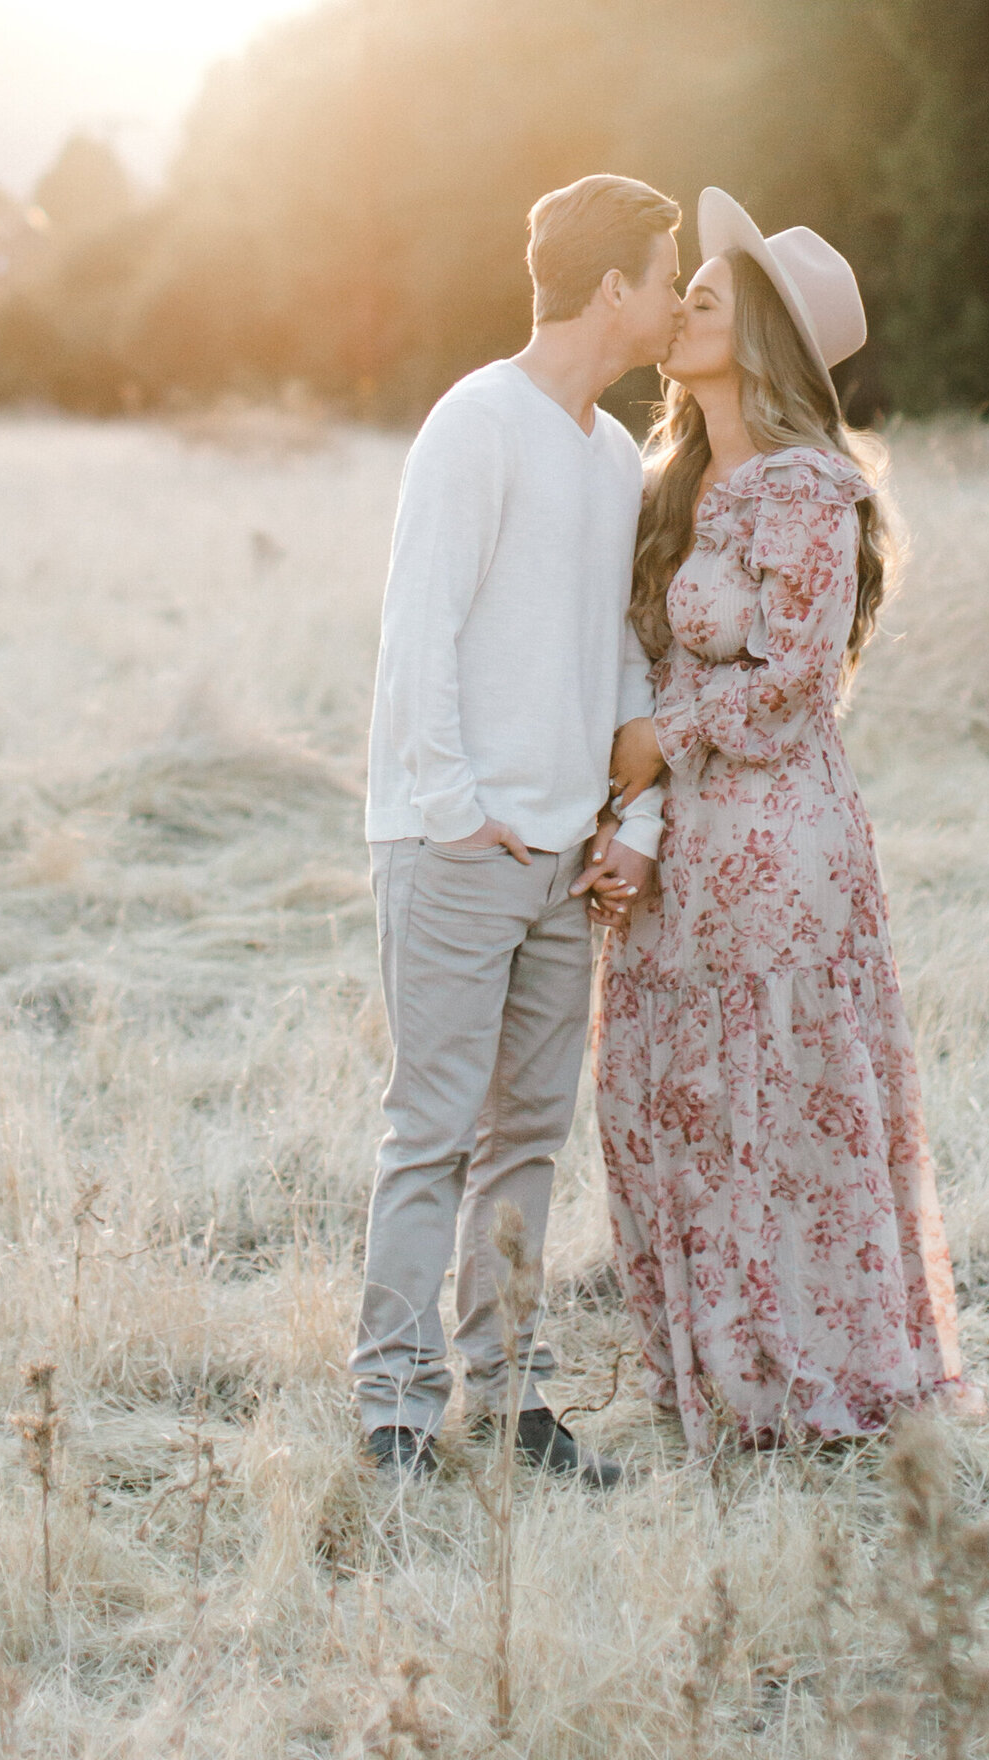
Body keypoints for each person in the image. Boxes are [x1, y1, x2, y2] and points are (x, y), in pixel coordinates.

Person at [592, 187, 979, 1453]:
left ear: (758, 334)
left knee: (773, 1101)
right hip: (684, 844)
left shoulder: (809, 487)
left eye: (705, 296)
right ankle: (721, 1380)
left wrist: (665, 740)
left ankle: (809, 1382)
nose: (680, 306)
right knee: (679, 1102)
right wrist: (635, 804)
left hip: (772, 840)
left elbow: (798, 678)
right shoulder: (677, 484)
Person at [351, 171, 684, 1486]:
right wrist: (455, 812)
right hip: (457, 849)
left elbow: (624, 659)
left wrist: (632, 816)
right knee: (431, 1130)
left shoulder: (613, 455)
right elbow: (418, 628)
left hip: (565, 859)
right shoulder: (475, 424)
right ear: (613, 286)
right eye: (665, 277)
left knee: (528, 1141)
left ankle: (508, 1400)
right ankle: (393, 1414)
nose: (674, 302)